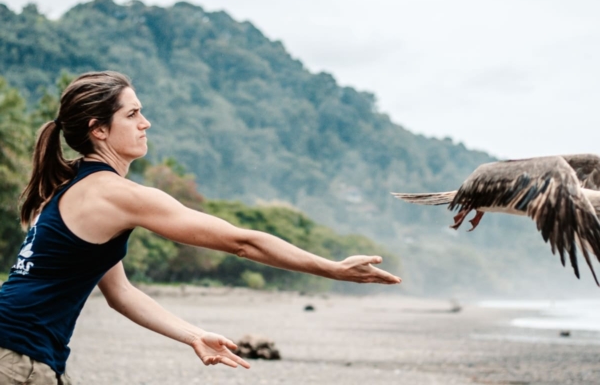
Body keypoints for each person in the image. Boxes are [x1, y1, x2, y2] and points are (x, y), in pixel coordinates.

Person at [0, 71, 402, 384]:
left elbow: (121, 293)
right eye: (133, 113)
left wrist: (192, 334)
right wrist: (331, 268)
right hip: (17, 358)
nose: (146, 122)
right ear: (98, 129)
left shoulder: (72, 189)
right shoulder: (115, 194)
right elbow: (243, 243)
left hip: (23, 351)